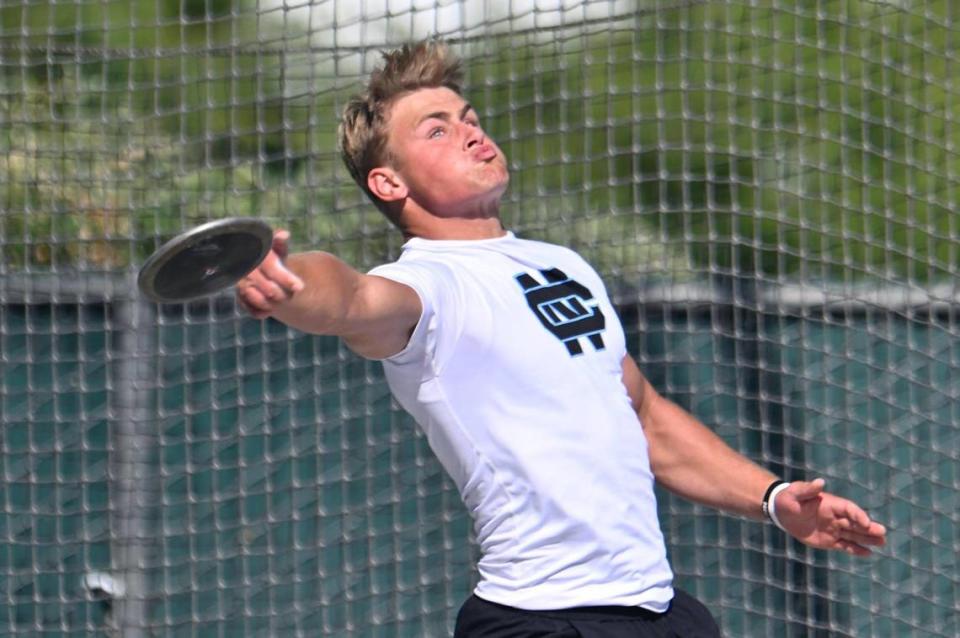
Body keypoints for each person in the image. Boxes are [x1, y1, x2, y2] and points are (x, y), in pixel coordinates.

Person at [235, 40, 886, 637]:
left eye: (468, 117)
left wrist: (773, 500)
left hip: (659, 611)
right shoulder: (427, 286)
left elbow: (647, 417)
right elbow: (347, 296)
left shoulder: (564, 265)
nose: (470, 133)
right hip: (541, 619)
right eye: (437, 129)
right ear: (389, 183)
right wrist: (288, 280)